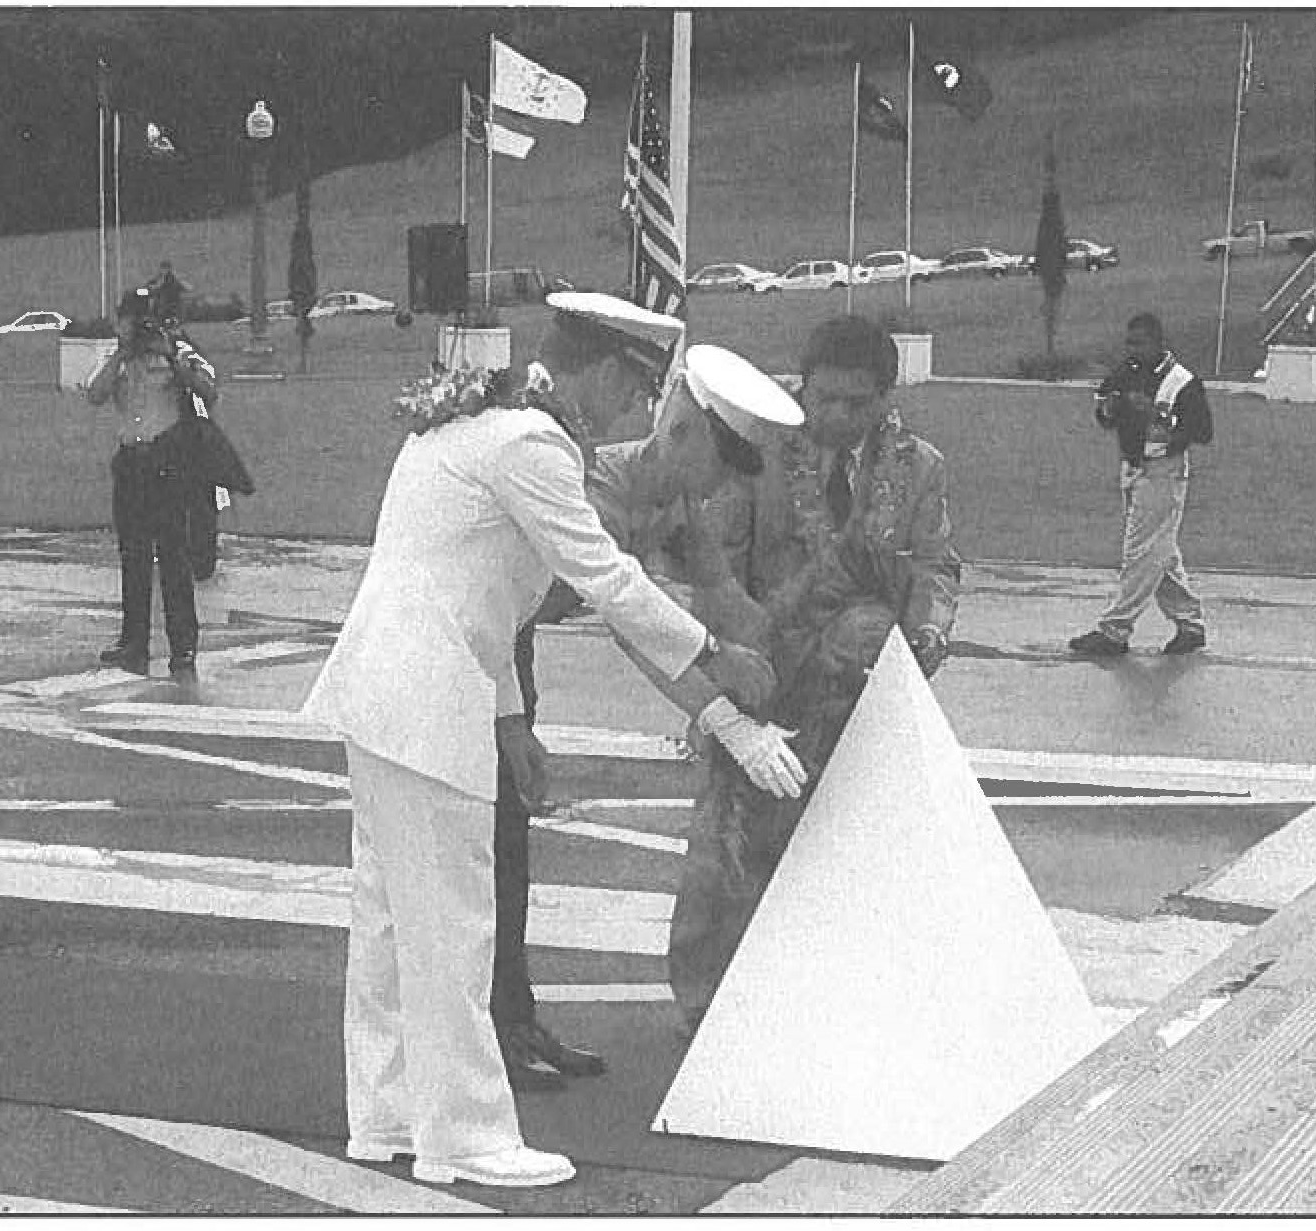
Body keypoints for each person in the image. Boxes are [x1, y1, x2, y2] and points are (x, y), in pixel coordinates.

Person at [300, 350, 806, 1189]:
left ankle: (387, 1115)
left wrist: (509, 720)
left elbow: (478, 586)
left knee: (390, 923)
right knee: (454, 925)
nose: (634, 403)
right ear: (675, 420)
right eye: (632, 386)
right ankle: (464, 1135)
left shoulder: (479, 428)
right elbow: (607, 581)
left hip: (396, 687)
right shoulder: (534, 446)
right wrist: (716, 663)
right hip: (427, 696)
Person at [485, 299, 801, 1095]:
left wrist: (792, 662)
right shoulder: (596, 484)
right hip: (483, 646)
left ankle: (514, 1015)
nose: (723, 486)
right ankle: (494, 1027)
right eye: (722, 464)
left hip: (509, 646)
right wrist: (724, 712)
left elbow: (724, 599)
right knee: (490, 847)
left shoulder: (677, 501)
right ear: (683, 432)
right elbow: (633, 628)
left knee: (509, 843)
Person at [663, 314, 962, 1038]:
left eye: (857, 402)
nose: (836, 415)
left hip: (863, 692)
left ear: (886, 398)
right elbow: (715, 565)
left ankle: (833, 998)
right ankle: (706, 1002)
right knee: (729, 846)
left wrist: (928, 629)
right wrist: (726, 669)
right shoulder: (755, 454)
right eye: (823, 397)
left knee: (853, 849)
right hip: (766, 677)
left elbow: (934, 566)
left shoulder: (920, 467)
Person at [85, 285, 235, 676]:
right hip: (130, 463)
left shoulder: (178, 351)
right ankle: (133, 643)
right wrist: (121, 354)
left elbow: (209, 391)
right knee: (133, 557)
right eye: (128, 320)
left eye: (137, 320)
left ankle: (183, 646)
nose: (132, 327)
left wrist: (171, 357)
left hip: (166, 465)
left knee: (173, 557)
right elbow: (94, 394)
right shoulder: (118, 358)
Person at [1069, 312, 1214, 657]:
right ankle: (1189, 624)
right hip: (1133, 468)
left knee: (1140, 552)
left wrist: (1157, 416)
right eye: (1130, 343)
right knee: (1159, 552)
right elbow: (1105, 415)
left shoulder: (1183, 383)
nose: (1133, 350)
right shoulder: (1126, 373)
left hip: (1163, 471)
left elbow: (1203, 432)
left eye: (1141, 343)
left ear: (1159, 343)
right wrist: (1110, 408)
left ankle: (1115, 629)